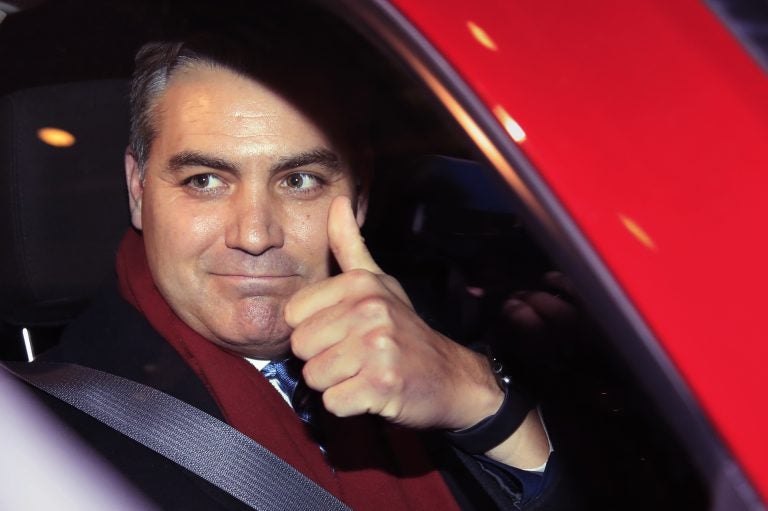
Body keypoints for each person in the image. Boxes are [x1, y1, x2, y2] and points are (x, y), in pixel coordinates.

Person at [37, 31, 569, 510]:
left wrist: (481, 402)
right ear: (138, 189)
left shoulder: (429, 353)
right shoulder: (41, 442)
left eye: (300, 181)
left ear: (359, 198)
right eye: (204, 180)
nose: (253, 235)